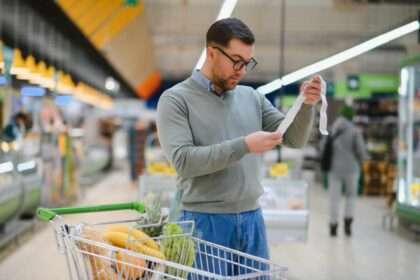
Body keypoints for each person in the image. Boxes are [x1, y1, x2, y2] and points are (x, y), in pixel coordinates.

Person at [157, 17, 321, 268]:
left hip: (252, 220)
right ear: (212, 53)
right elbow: (183, 161)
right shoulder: (176, 100)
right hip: (203, 222)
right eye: (236, 61)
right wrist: (244, 145)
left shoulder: (252, 98)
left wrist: (306, 105)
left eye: (247, 63)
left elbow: (293, 138)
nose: (242, 70)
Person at [324, 105, 368, 237]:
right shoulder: (355, 131)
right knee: (350, 196)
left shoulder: (332, 129)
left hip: (334, 168)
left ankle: (333, 226)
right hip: (351, 169)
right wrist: (363, 158)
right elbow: (361, 151)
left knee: (334, 199)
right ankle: (348, 224)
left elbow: (323, 148)